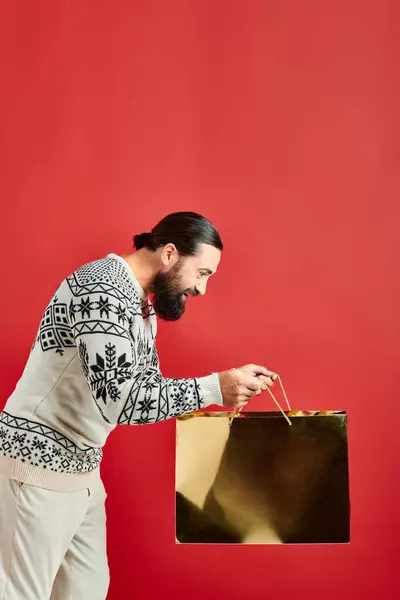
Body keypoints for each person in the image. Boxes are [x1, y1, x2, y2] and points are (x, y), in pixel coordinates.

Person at [0, 211, 277, 599]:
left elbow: (147, 390)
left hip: (81, 472)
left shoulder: (141, 306)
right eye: (202, 274)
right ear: (169, 254)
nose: (202, 290)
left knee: (87, 590)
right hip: (35, 470)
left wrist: (224, 386)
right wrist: (215, 388)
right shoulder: (103, 290)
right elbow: (120, 400)